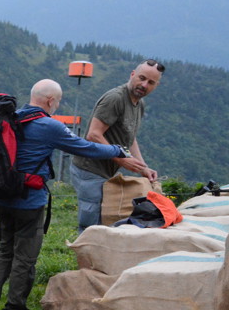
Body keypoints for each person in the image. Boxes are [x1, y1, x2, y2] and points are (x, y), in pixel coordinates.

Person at [0, 79, 129, 310]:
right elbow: (85, 148)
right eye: (57, 101)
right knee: (24, 257)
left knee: (4, 249)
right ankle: (14, 309)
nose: (56, 105)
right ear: (50, 101)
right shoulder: (49, 126)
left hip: (2, 197)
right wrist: (117, 151)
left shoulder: (8, 119)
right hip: (29, 201)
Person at [70, 59, 164, 233]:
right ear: (132, 74)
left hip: (106, 170)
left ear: (156, 85)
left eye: (150, 82)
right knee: (91, 224)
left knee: (102, 222)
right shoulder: (115, 99)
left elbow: (130, 137)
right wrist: (122, 160)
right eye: (141, 78)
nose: (144, 85)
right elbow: (94, 134)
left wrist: (143, 167)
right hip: (89, 169)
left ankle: (96, 257)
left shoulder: (138, 104)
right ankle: (85, 258)